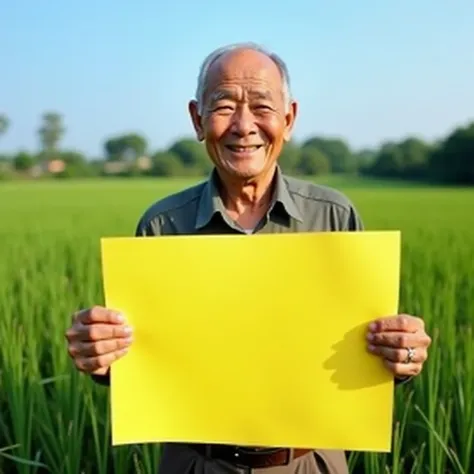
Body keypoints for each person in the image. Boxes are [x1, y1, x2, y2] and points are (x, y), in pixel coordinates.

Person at [65, 42, 432, 474]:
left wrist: (402, 355)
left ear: (289, 119)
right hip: (195, 463)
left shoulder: (333, 215)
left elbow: (370, 350)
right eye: (223, 106)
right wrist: (102, 356)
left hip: (310, 461)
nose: (244, 125)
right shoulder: (162, 226)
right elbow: (140, 361)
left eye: (261, 106)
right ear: (197, 120)